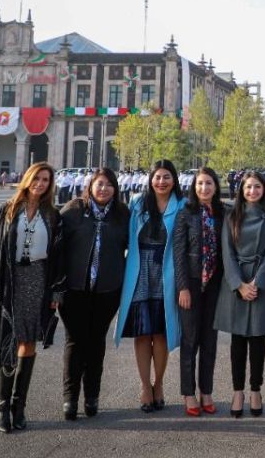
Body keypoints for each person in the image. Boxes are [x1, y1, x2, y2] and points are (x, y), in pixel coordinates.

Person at [0, 162, 64, 433]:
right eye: (37, 178)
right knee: (7, 342)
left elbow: (60, 258)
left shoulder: (52, 215)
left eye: (46, 180)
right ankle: (1, 406)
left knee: (28, 342)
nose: (40, 184)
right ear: (27, 179)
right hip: (10, 280)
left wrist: (56, 291)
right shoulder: (7, 211)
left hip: (38, 281)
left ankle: (19, 405)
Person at [58, 167, 130, 420]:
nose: (104, 189)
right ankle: (70, 399)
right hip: (74, 290)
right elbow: (56, 247)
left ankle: (92, 397)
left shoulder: (122, 215)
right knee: (75, 342)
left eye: (109, 184)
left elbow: (133, 248)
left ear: (115, 188)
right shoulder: (74, 211)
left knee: (96, 343)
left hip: (107, 291)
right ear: (91, 185)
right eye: (100, 184)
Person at [116, 159, 185, 413]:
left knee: (161, 331)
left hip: (166, 273)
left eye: (167, 177)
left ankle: (159, 384)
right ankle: (145, 386)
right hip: (140, 271)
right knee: (143, 332)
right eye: (158, 177)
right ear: (151, 179)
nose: (162, 181)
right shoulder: (137, 203)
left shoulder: (183, 206)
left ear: (174, 180)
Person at [215, 171, 265, 417]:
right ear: (241, 190)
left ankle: (255, 390)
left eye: (257, 187)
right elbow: (227, 253)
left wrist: (257, 283)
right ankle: (237, 391)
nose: (252, 191)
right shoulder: (231, 216)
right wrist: (239, 284)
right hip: (236, 281)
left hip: (260, 282)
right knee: (238, 340)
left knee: (257, 339)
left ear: (264, 189)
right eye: (248, 187)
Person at [173, 166, 227, 416]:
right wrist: (183, 287)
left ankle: (207, 390)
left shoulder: (223, 213)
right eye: (200, 184)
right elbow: (178, 253)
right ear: (194, 187)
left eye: (208, 183)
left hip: (215, 284)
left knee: (209, 341)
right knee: (190, 339)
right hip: (192, 284)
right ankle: (189, 393)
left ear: (215, 186)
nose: (204, 188)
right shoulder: (186, 213)